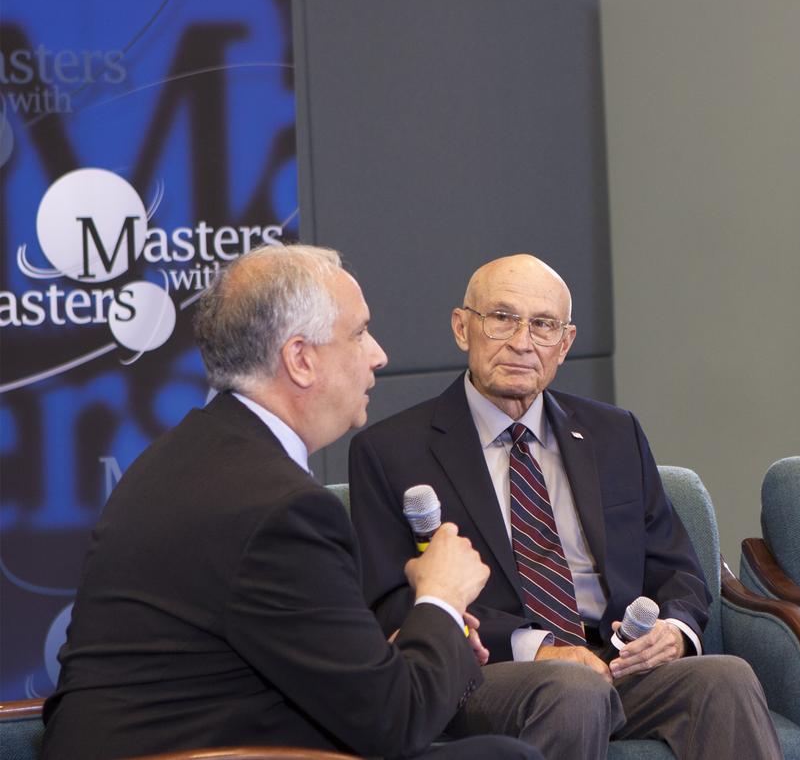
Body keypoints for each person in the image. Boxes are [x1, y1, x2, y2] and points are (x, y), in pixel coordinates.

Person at [42, 244, 540, 760]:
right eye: (360, 333)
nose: (379, 355)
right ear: (301, 359)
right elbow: (394, 724)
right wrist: (441, 597)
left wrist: (419, 637)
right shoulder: (280, 508)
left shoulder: (188, 456)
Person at [348, 254, 781, 760]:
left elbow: (676, 566)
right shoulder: (391, 451)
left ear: (565, 343)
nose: (522, 342)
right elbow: (391, 601)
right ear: (462, 328)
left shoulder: (614, 432)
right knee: (573, 690)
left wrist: (675, 631)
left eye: (543, 325)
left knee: (725, 677)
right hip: (488, 674)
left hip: (617, 663)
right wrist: (538, 649)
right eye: (502, 318)